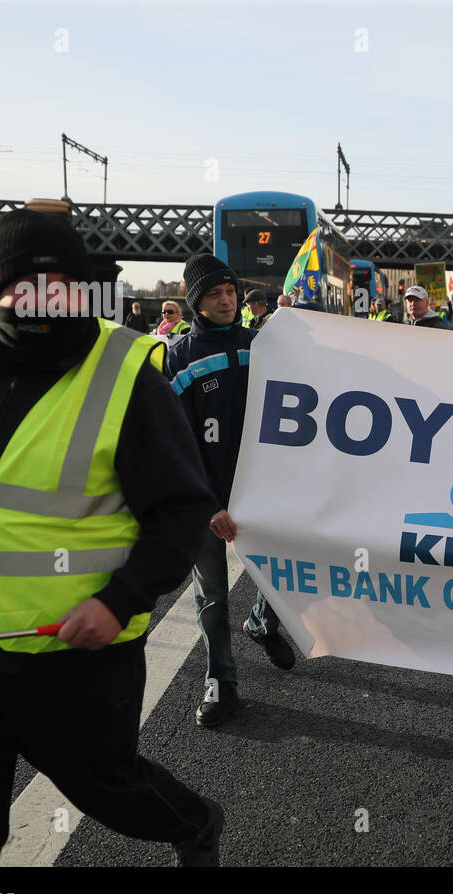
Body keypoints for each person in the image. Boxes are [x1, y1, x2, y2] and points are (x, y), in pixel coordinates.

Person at [0, 205, 224, 866]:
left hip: (75, 648)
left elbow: (182, 510)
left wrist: (119, 601)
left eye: (59, 284)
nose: (41, 299)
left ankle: (194, 823)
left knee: (111, 790)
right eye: (23, 284)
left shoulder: (128, 374)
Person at [165, 254, 298, 728]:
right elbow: (174, 442)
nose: (226, 301)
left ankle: (262, 621)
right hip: (207, 498)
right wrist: (207, 505)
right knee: (213, 595)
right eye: (215, 294)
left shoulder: (262, 343)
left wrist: (297, 321)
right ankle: (221, 680)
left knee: (279, 576)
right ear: (196, 302)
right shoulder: (178, 358)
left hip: (262, 492)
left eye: (231, 292)